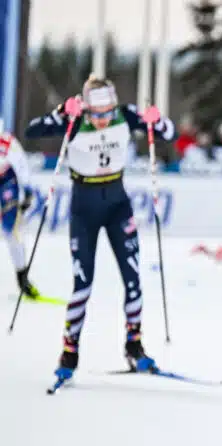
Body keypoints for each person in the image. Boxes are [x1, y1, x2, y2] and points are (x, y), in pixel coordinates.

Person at [24, 75, 176, 383]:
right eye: (97, 115)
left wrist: (156, 119)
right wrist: (60, 112)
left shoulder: (126, 115)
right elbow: (32, 131)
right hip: (84, 208)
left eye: (108, 113)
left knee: (133, 279)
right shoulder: (76, 121)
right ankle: (69, 353)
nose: (104, 120)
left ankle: (134, 347)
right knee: (82, 285)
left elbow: (169, 134)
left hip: (117, 204)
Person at [0, 119, 40, 298]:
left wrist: (28, 190)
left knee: (12, 231)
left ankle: (22, 276)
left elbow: (22, 165)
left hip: (7, 183)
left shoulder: (7, 142)